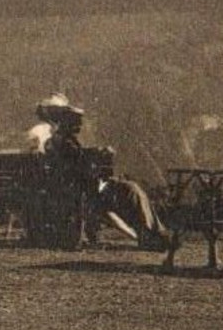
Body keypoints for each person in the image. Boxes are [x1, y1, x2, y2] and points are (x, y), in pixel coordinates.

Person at [32, 93, 172, 251]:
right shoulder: (63, 142)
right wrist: (101, 162)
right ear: (66, 122)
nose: (80, 126)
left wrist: (96, 157)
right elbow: (81, 168)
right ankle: (153, 235)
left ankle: (152, 234)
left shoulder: (61, 140)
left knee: (131, 189)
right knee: (132, 190)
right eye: (76, 122)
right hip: (88, 189)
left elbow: (79, 162)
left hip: (84, 188)